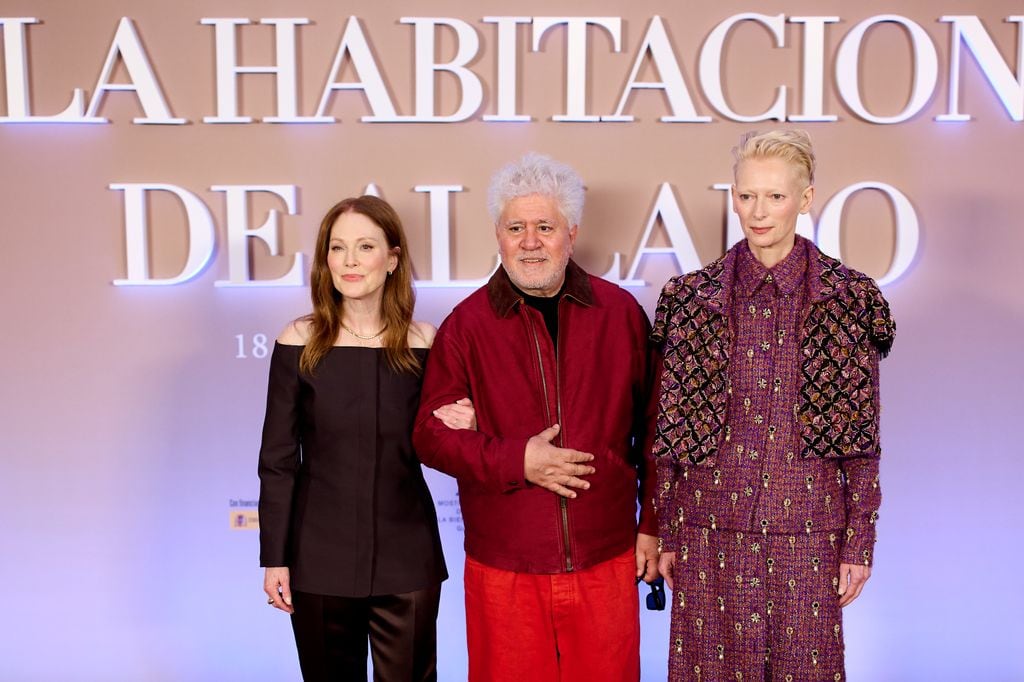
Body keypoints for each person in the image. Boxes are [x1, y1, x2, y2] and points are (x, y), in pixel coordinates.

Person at [652, 130, 895, 680]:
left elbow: (861, 435)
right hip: (709, 530)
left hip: (808, 535)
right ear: (733, 196)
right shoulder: (691, 299)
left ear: (805, 198)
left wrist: (859, 541)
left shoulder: (849, 299)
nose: (758, 212)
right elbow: (672, 429)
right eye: (746, 196)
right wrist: (668, 529)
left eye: (776, 197)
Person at [412, 153, 660, 682]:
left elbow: (658, 433)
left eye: (544, 227)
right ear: (497, 235)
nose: (530, 242)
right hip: (504, 570)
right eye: (516, 228)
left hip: (607, 561)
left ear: (571, 233)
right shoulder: (466, 327)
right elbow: (429, 437)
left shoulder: (621, 316)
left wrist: (653, 525)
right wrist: (515, 459)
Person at [257, 195, 474, 681]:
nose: (350, 261)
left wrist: (466, 420)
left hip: (408, 554)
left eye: (365, 246)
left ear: (392, 259)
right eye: (337, 248)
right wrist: (275, 557)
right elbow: (277, 460)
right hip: (318, 556)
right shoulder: (298, 341)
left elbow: (440, 439)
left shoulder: (425, 342)